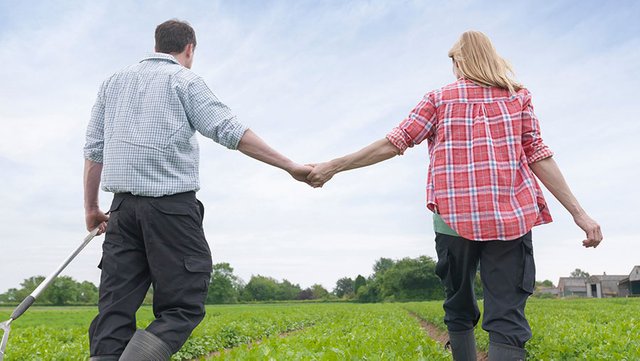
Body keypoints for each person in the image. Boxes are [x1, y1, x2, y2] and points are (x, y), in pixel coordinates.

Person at [307, 30, 602, 361]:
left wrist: (334, 165)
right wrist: (580, 213)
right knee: (507, 314)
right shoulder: (517, 97)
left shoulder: (438, 99)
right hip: (510, 217)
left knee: (459, 302)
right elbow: (538, 155)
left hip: (452, 221)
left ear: (458, 60)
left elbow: (395, 142)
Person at [83, 19, 311, 361]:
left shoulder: (112, 84)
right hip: (170, 210)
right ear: (189, 49)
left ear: (157, 44)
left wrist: (91, 208)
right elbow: (228, 128)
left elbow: (93, 150)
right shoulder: (183, 80)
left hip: (122, 211)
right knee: (182, 306)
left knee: (114, 310)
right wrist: (290, 165)